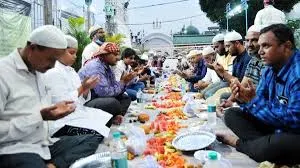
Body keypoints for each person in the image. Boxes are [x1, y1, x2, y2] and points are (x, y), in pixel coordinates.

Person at [0, 25, 99, 168]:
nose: (53, 66)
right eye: (51, 59)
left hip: (46, 143)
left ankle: (53, 164)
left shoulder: (38, 71)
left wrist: (51, 114)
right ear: (33, 48)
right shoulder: (4, 74)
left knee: (92, 139)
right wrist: (39, 117)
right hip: (16, 149)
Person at [218, 24, 300, 164]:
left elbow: (294, 120)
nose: (260, 51)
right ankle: (262, 146)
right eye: (260, 46)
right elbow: (259, 100)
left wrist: (253, 101)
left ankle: (241, 144)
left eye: (266, 46)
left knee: (279, 142)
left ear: (286, 46)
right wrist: (244, 99)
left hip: (294, 132)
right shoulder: (269, 69)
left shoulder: (297, 74)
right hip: (276, 126)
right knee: (232, 114)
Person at [43, 35, 112, 140]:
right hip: (61, 121)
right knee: (96, 135)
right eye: (71, 53)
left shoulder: (71, 71)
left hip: (77, 113)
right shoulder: (53, 72)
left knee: (107, 120)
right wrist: (82, 88)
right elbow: (63, 105)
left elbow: (80, 101)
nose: (75, 56)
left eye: (75, 53)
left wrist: (86, 89)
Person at [78, 42, 133, 123]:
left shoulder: (107, 66)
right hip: (86, 102)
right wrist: (122, 82)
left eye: (118, 55)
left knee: (125, 98)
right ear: (105, 54)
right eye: (115, 55)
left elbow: (113, 85)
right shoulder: (95, 67)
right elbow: (103, 93)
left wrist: (124, 82)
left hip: (99, 98)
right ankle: (111, 117)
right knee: (113, 103)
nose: (118, 58)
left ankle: (116, 116)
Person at [220, 25, 266, 109]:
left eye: (254, 40)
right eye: (247, 40)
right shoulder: (253, 60)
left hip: (259, 103)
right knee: (225, 101)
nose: (249, 44)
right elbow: (242, 84)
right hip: (250, 98)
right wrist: (229, 101)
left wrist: (222, 72)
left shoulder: (268, 63)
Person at [201, 31, 251, 99]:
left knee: (213, 95)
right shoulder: (236, 60)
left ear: (237, 43)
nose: (226, 50)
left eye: (228, 46)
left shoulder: (248, 58)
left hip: (242, 89)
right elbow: (229, 79)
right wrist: (218, 70)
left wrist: (223, 72)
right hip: (232, 85)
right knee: (204, 93)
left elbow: (241, 83)